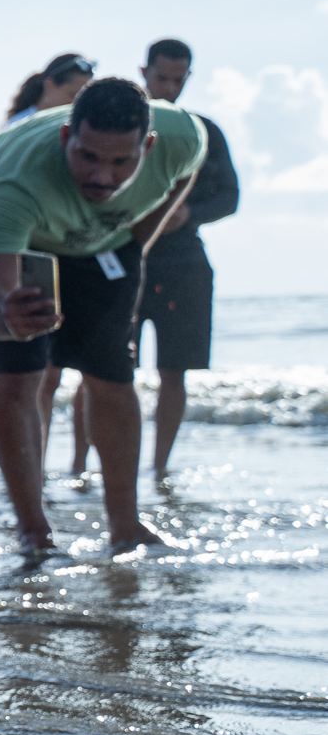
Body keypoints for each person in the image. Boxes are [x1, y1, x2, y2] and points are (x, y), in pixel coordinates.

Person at [0, 77, 204, 553]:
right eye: (87, 157)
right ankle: (34, 530)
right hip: (9, 236)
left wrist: (135, 241)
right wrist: (5, 317)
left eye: (121, 162)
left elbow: (182, 177)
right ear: (66, 136)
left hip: (102, 242)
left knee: (112, 373)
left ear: (148, 147)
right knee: (19, 373)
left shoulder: (182, 137)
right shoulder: (14, 185)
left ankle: (126, 525)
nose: (102, 177)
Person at [134, 39, 237, 476]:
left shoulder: (204, 130)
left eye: (178, 80)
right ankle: (84, 467)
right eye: (162, 78)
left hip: (184, 264)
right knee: (104, 371)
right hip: (123, 260)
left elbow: (230, 197)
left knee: (175, 371)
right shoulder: (120, 123)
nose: (169, 88)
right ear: (144, 73)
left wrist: (187, 214)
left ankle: (159, 469)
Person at [5, 52, 95, 127]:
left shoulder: (77, 129)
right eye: (72, 95)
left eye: (82, 99)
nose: (76, 104)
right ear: (49, 85)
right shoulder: (18, 125)